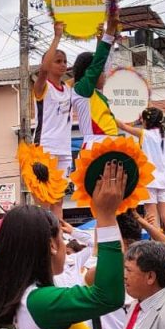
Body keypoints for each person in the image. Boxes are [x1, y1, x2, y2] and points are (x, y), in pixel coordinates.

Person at [0, 162, 126, 329]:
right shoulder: (40, 300)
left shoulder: (37, 293)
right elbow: (109, 296)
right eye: (61, 239)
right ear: (51, 245)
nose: (65, 245)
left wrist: (50, 198)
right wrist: (106, 216)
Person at [31, 20, 114, 219]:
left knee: (59, 200)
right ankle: (42, 238)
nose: (62, 64)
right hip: (44, 148)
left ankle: (59, 238)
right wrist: (57, 36)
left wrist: (98, 40)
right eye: (57, 61)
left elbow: (91, 72)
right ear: (48, 63)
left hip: (64, 150)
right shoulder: (42, 88)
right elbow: (42, 70)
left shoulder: (70, 89)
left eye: (65, 61)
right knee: (44, 200)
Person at [116, 107, 165, 242]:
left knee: (152, 216)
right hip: (164, 179)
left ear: (146, 121)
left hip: (149, 179)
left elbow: (122, 126)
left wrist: (111, 114)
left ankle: (157, 245)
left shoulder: (144, 134)